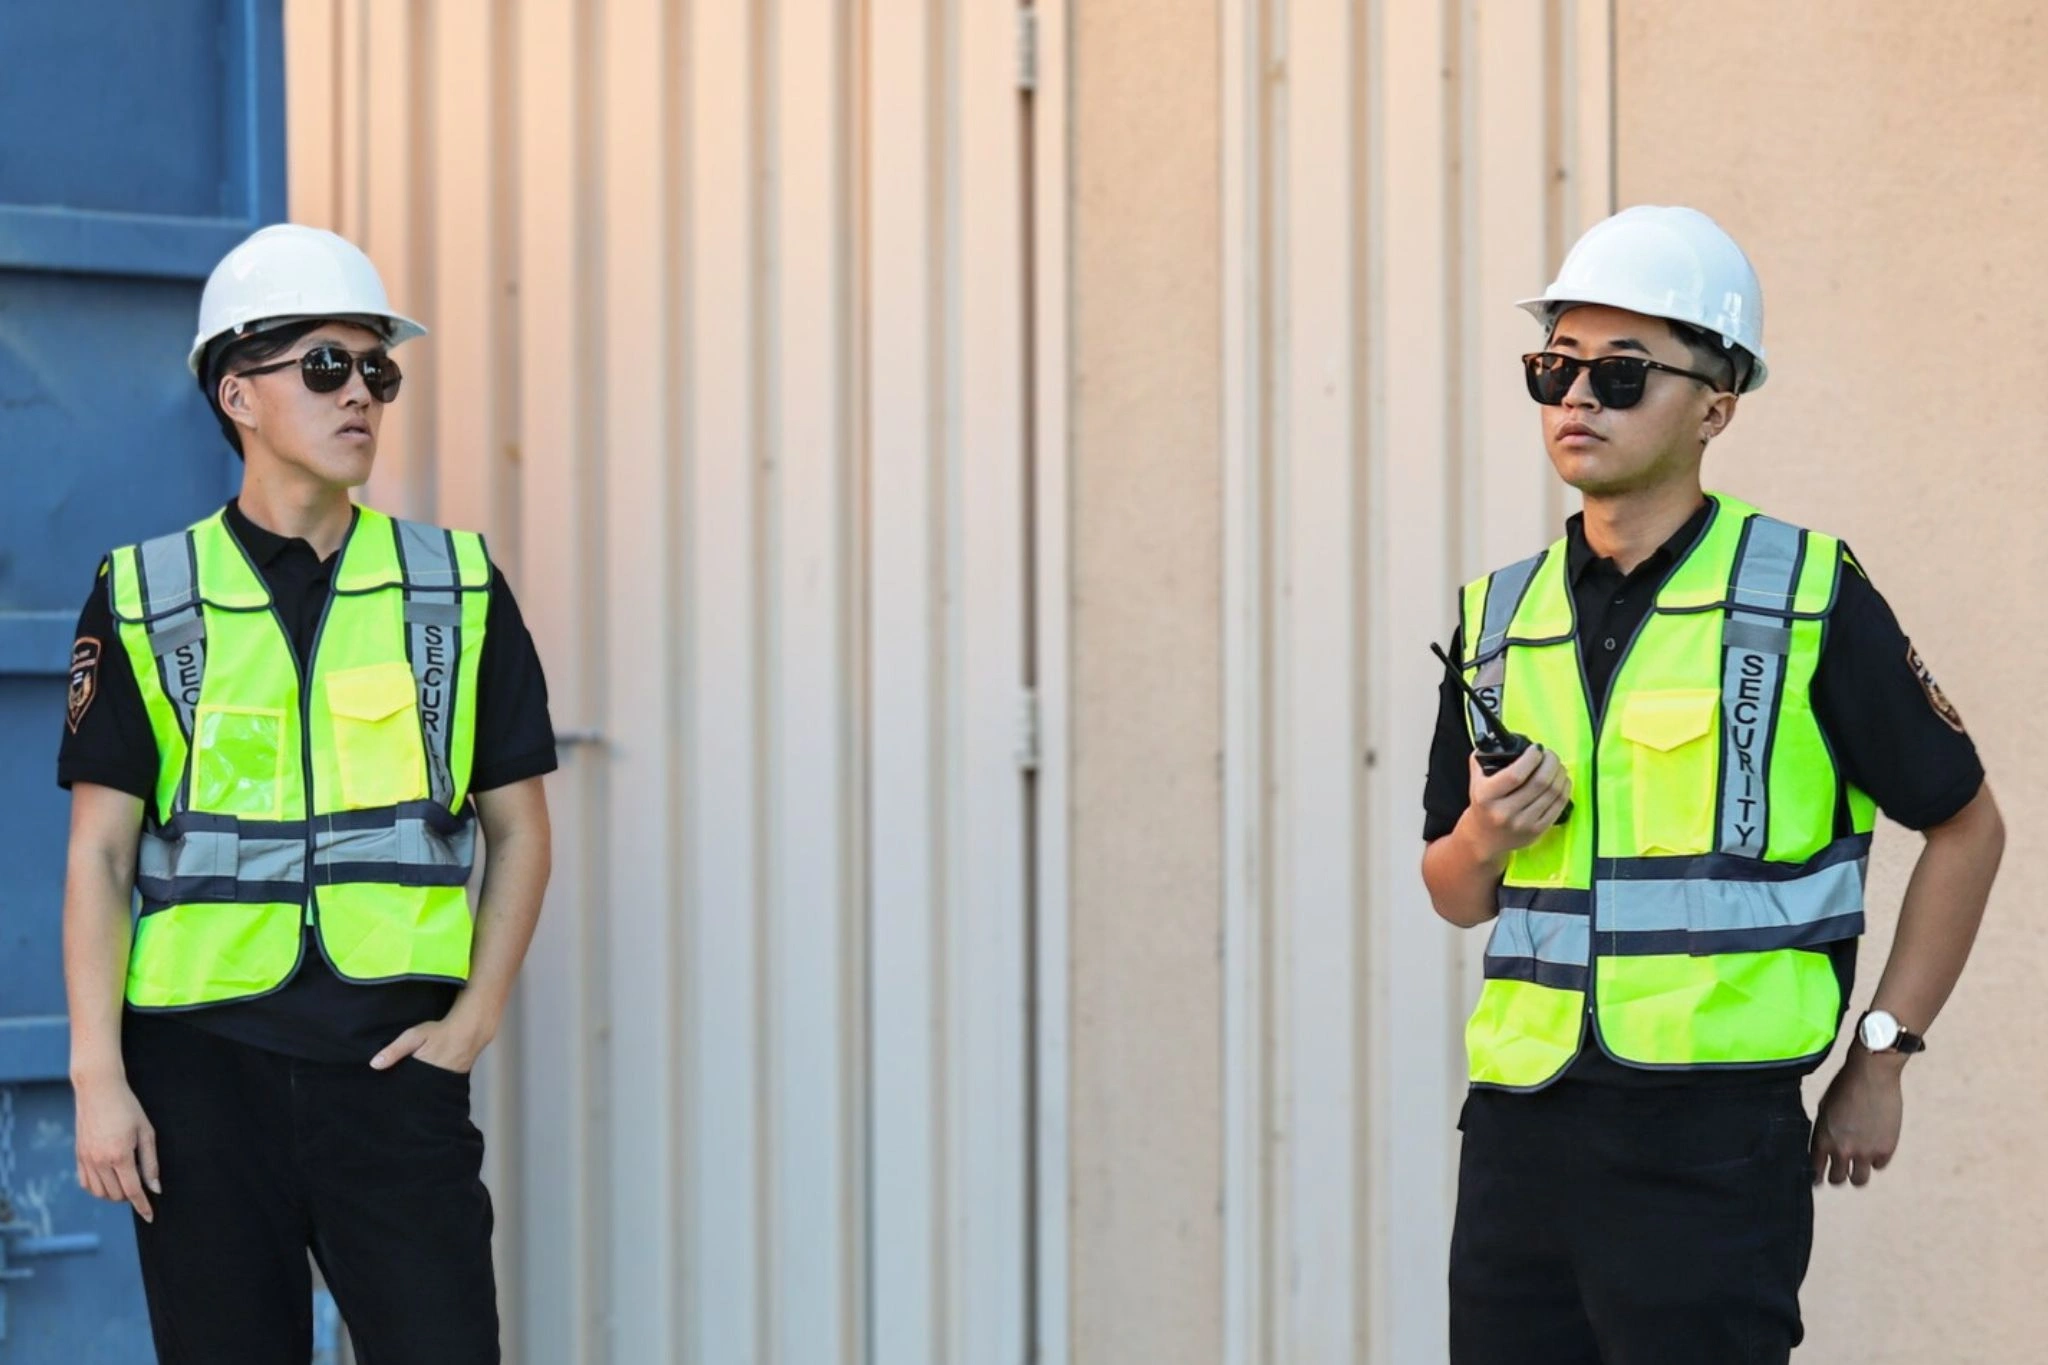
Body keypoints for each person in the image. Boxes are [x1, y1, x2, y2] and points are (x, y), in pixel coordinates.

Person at [1422, 205, 2005, 1364]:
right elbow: (1452, 891)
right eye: (1553, 368)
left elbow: (1965, 827)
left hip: (1707, 1141)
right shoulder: (1495, 614)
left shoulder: (1803, 592)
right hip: (1517, 1136)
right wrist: (1483, 835)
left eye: (1619, 373)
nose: (1575, 398)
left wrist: (1880, 1053)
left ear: (1714, 404)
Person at [58, 223, 555, 1364]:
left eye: (378, 368)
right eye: (325, 365)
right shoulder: (144, 594)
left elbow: (522, 828)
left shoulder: (456, 588)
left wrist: (472, 1023)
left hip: (392, 1074)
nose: (361, 394)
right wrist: (99, 1076)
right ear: (237, 394)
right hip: (197, 1082)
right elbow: (99, 855)